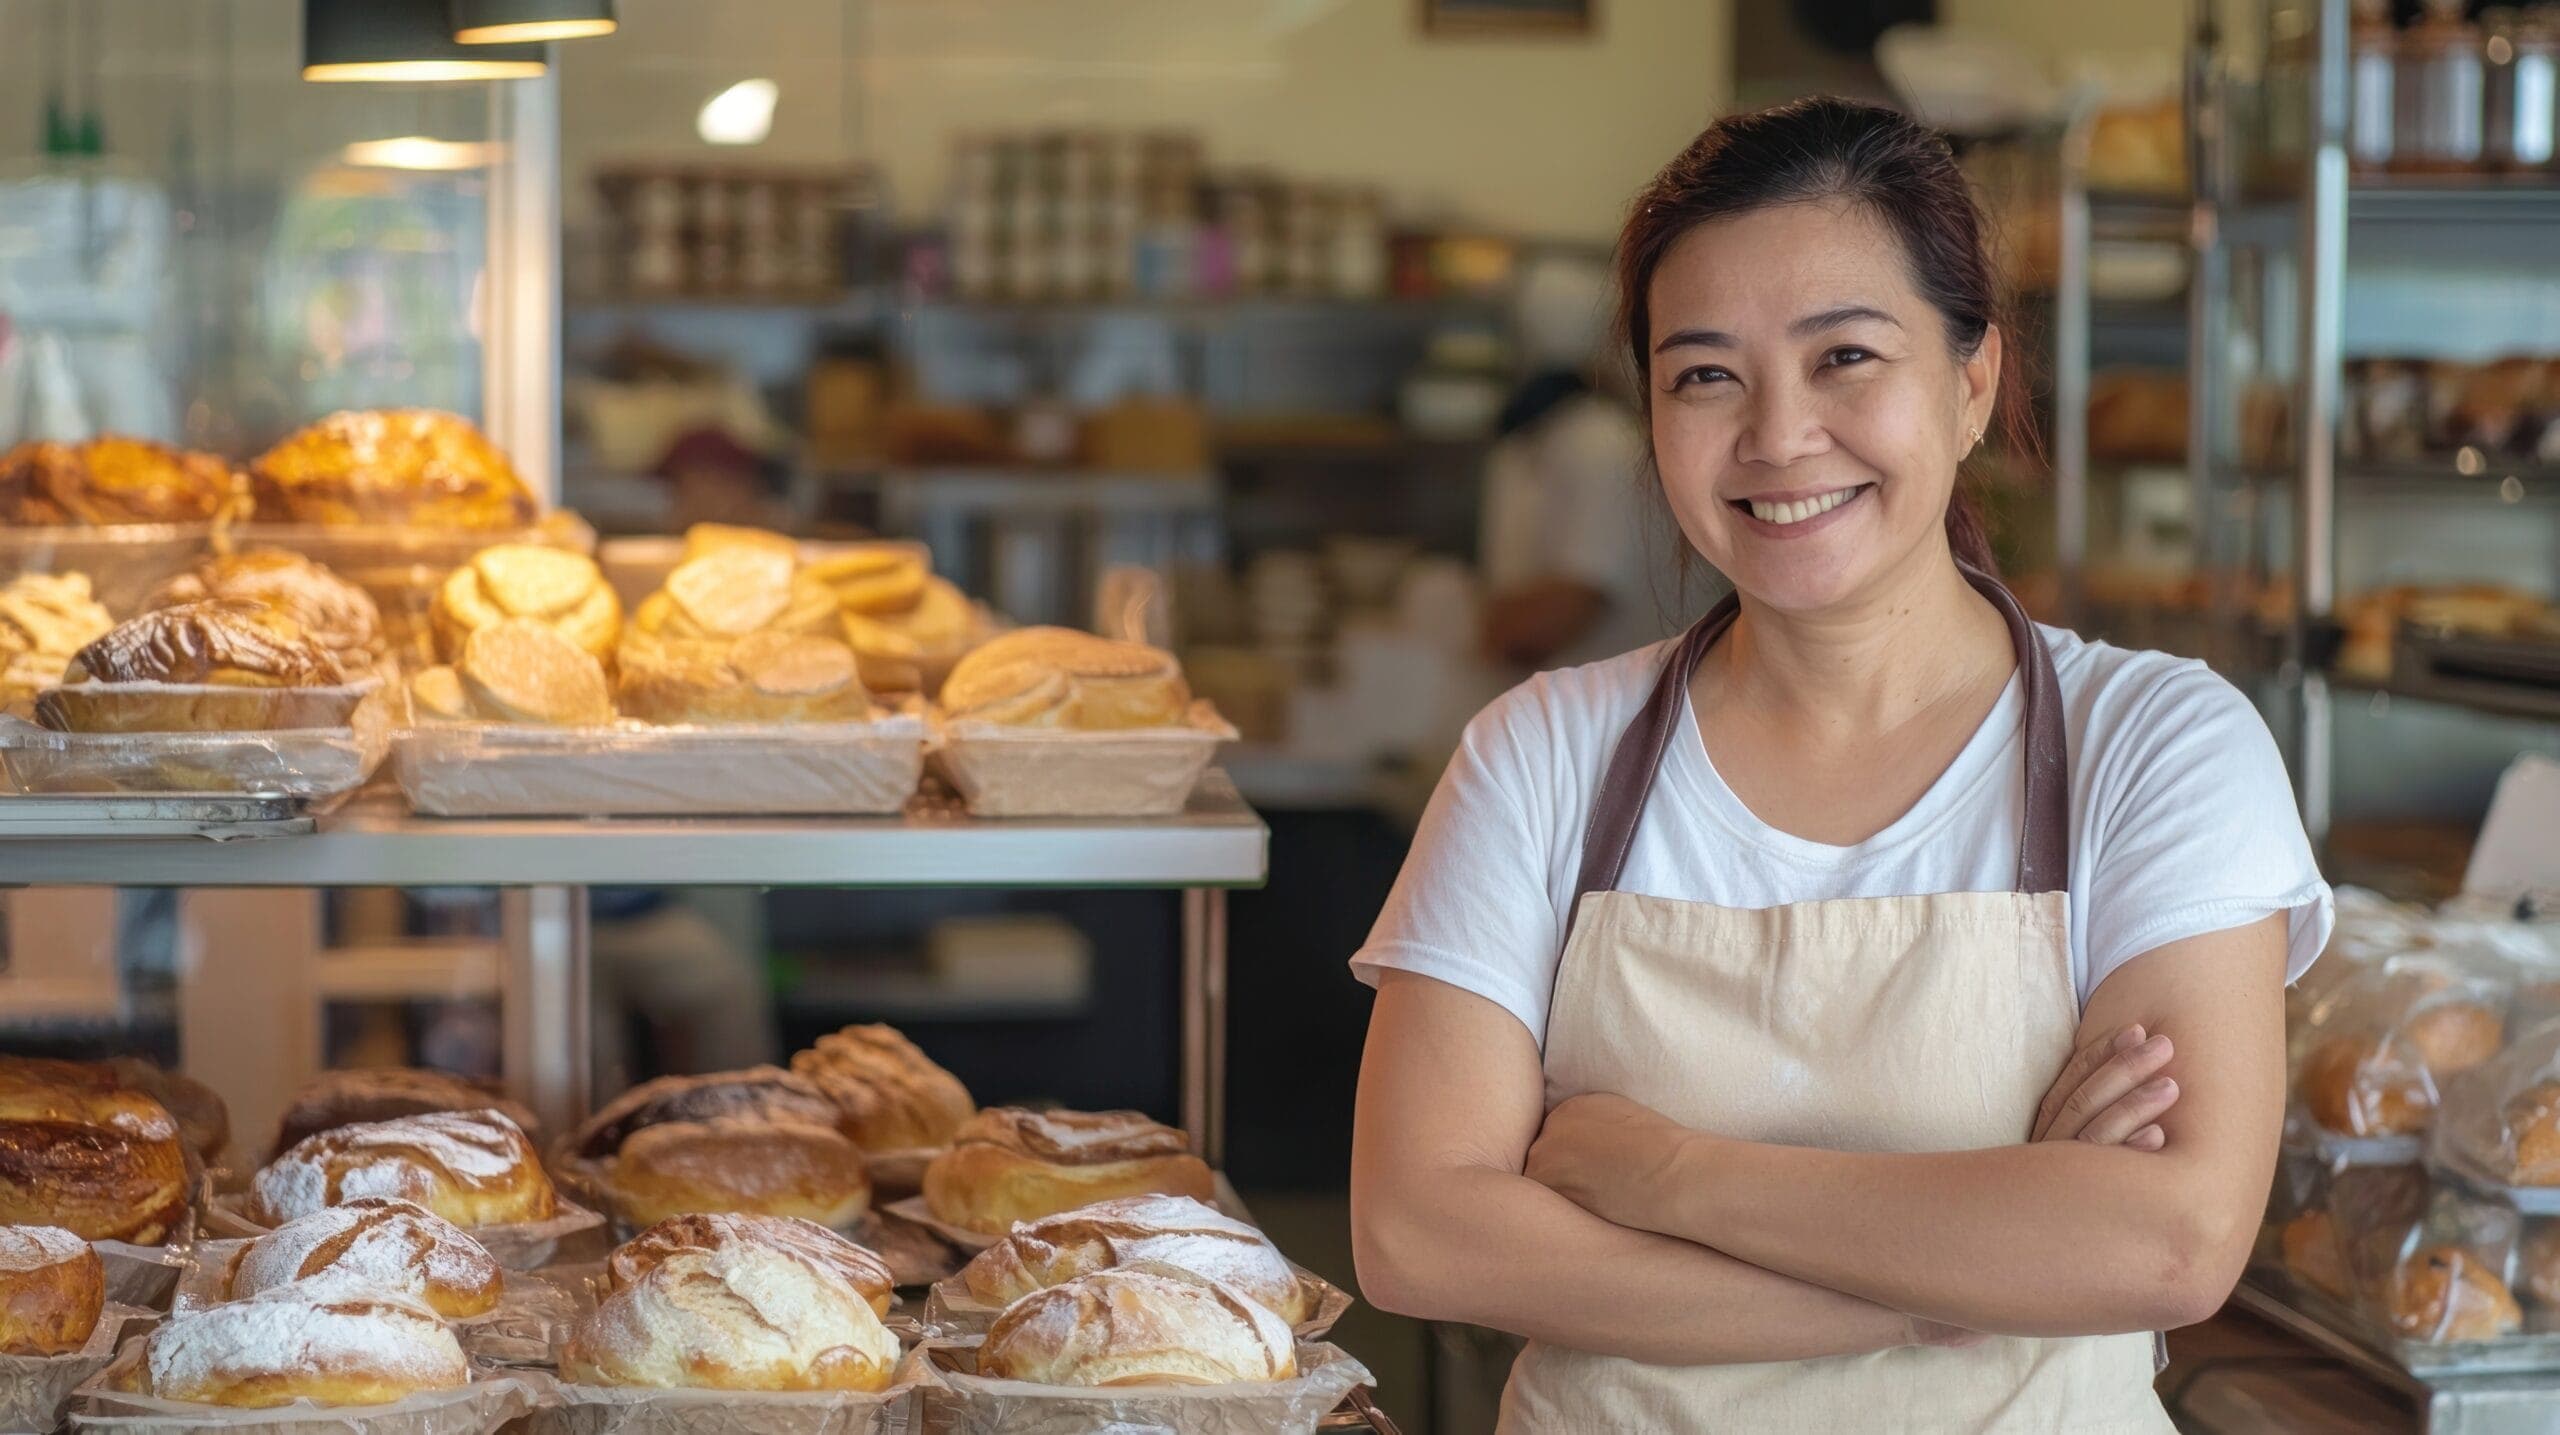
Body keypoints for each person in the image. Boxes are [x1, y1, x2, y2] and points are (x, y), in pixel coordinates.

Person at [1347, 97, 2332, 1432]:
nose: (1776, 434)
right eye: (1705, 374)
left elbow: (2165, 1242)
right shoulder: (1541, 754)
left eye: (1846, 356)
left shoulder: (2155, 744)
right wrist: (1964, 1275)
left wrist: (1667, 1172)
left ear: (1971, 381)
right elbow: (1422, 1231)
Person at [1477, 255, 1677, 672]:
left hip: (1607, 705)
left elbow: (1571, 604)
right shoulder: (1556, 431)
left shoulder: (1599, 442)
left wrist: (1486, 634)